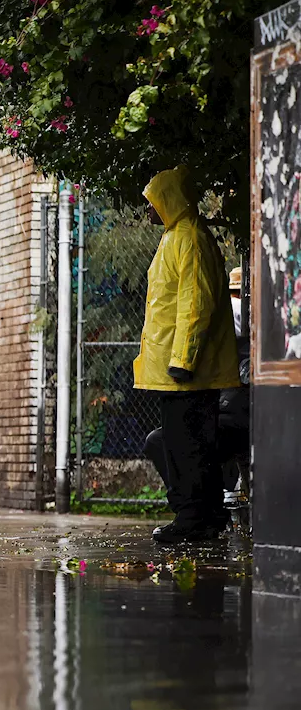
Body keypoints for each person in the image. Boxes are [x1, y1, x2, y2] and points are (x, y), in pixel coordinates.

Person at [134, 166, 240, 544]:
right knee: (188, 444)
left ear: (169, 201)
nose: (149, 210)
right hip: (179, 370)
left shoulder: (188, 238)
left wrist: (183, 360)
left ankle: (193, 517)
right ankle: (204, 517)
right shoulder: (178, 237)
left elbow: (196, 304)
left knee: (187, 446)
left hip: (186, 373)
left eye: (153, 203)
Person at [143, 266, 250, 501]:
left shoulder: (231, 322)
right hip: (220, 414)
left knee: (169, 440)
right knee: (162, 439)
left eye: (235, 295)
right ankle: (195, 503)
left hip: (232, 418)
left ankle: (195, 505)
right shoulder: (227, 326)